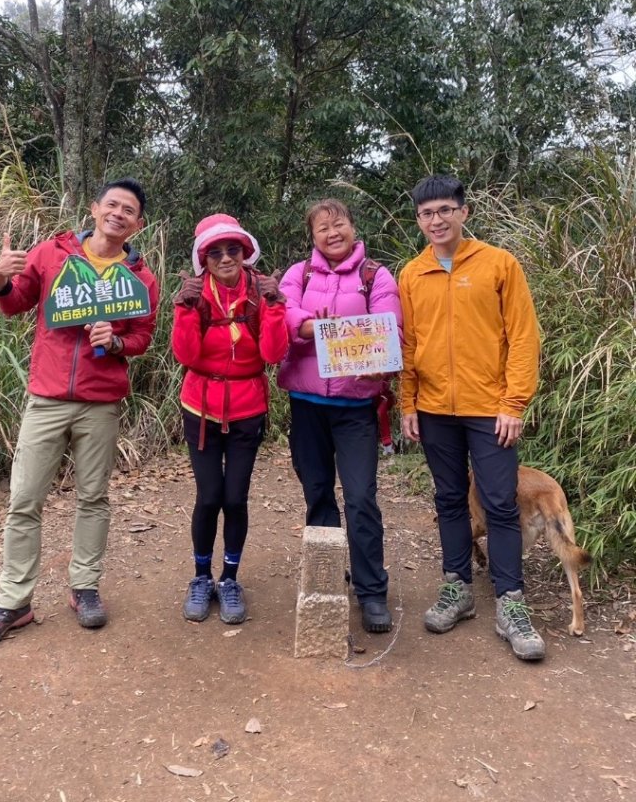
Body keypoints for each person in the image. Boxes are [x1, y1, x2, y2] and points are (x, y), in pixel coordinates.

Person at [0, 178, 159, 649]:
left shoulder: (141, 279)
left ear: (138, 223)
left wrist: (115, 343)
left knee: (93, 497)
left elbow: (142, 337)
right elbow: (15, 304)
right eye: (110, 204)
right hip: (48, 397)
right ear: (95, 209)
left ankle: (85, 588)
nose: (117, 214)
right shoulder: (53, 254)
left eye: (128, 210)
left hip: (101, 401)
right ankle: (13, 602)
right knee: (24, 499)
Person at [399, 174, 545, 661]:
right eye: (426, 214)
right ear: (418, 220)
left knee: (501, 503)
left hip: (490, 409)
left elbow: (523, 336)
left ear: (464, 212)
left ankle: (510, 602)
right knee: (448, 499)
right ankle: (457, 587)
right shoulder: (411, 274)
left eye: (444, 210)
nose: (436, 220)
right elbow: (409, 346)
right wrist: (407, 404)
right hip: (435, 409)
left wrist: (513, 403)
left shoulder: (499, 265)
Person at [277, 199, 402, 634]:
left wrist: (380, 359)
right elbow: (283, 310)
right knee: (317, 494)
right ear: (312, 237)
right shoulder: (300, 274)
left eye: (340, 224)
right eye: (323, 228)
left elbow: (390, 327)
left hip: (356, 409)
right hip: (307, 405)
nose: (333, 233)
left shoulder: (376, 276)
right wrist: (309, 325)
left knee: (361, 497)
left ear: (353, 227)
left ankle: (371, 592)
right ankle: (328, 580)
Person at [172, 213, 288, 625]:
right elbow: (185, 356)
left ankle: (231, 578)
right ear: (204, 258)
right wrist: (185, 310)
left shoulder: (259, 293)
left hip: (246, 408)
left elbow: (273, 355)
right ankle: (202, 577)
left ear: (243, 252)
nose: (225, 258)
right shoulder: (194, 294)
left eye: (232, 250)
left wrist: (274, 307)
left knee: (235, 498)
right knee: (209, 497)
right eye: (215, 252)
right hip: (201, 408)